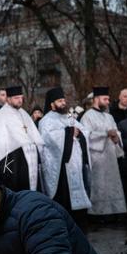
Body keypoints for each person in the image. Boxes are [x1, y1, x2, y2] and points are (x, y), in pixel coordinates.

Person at [38, 88, 91, 217]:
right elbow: (50, 140)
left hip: (75, 163)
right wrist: (69, 132)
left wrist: (77, 133)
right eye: (60, 101)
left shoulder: (68, 116)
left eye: (63, 100)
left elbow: (83, 130)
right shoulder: (46, 120)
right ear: (52, 104)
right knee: (64, 196)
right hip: (61, 166)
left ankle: (79, 216)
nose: (63, 103)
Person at [80, 87, 127, 218]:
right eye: (105, 99)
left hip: (111, 157)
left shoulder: (109, 116)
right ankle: (98, 214)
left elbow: (116, 133)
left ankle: (114, 212)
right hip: (97, 159)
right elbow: (87, 137)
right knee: (99, 186)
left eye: (108, 99)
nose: (108, 102)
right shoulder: (87, 117)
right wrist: (105, 134)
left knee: (112, 185)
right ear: (96, 99)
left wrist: (116, 137)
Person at [0, 85, 43, 191]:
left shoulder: (24, 114)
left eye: (21, 98)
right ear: (8, 99)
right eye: (16, 98)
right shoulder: (1, 116)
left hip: (29, 159)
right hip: (14, 162)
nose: (20, 100)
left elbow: (34, 136)